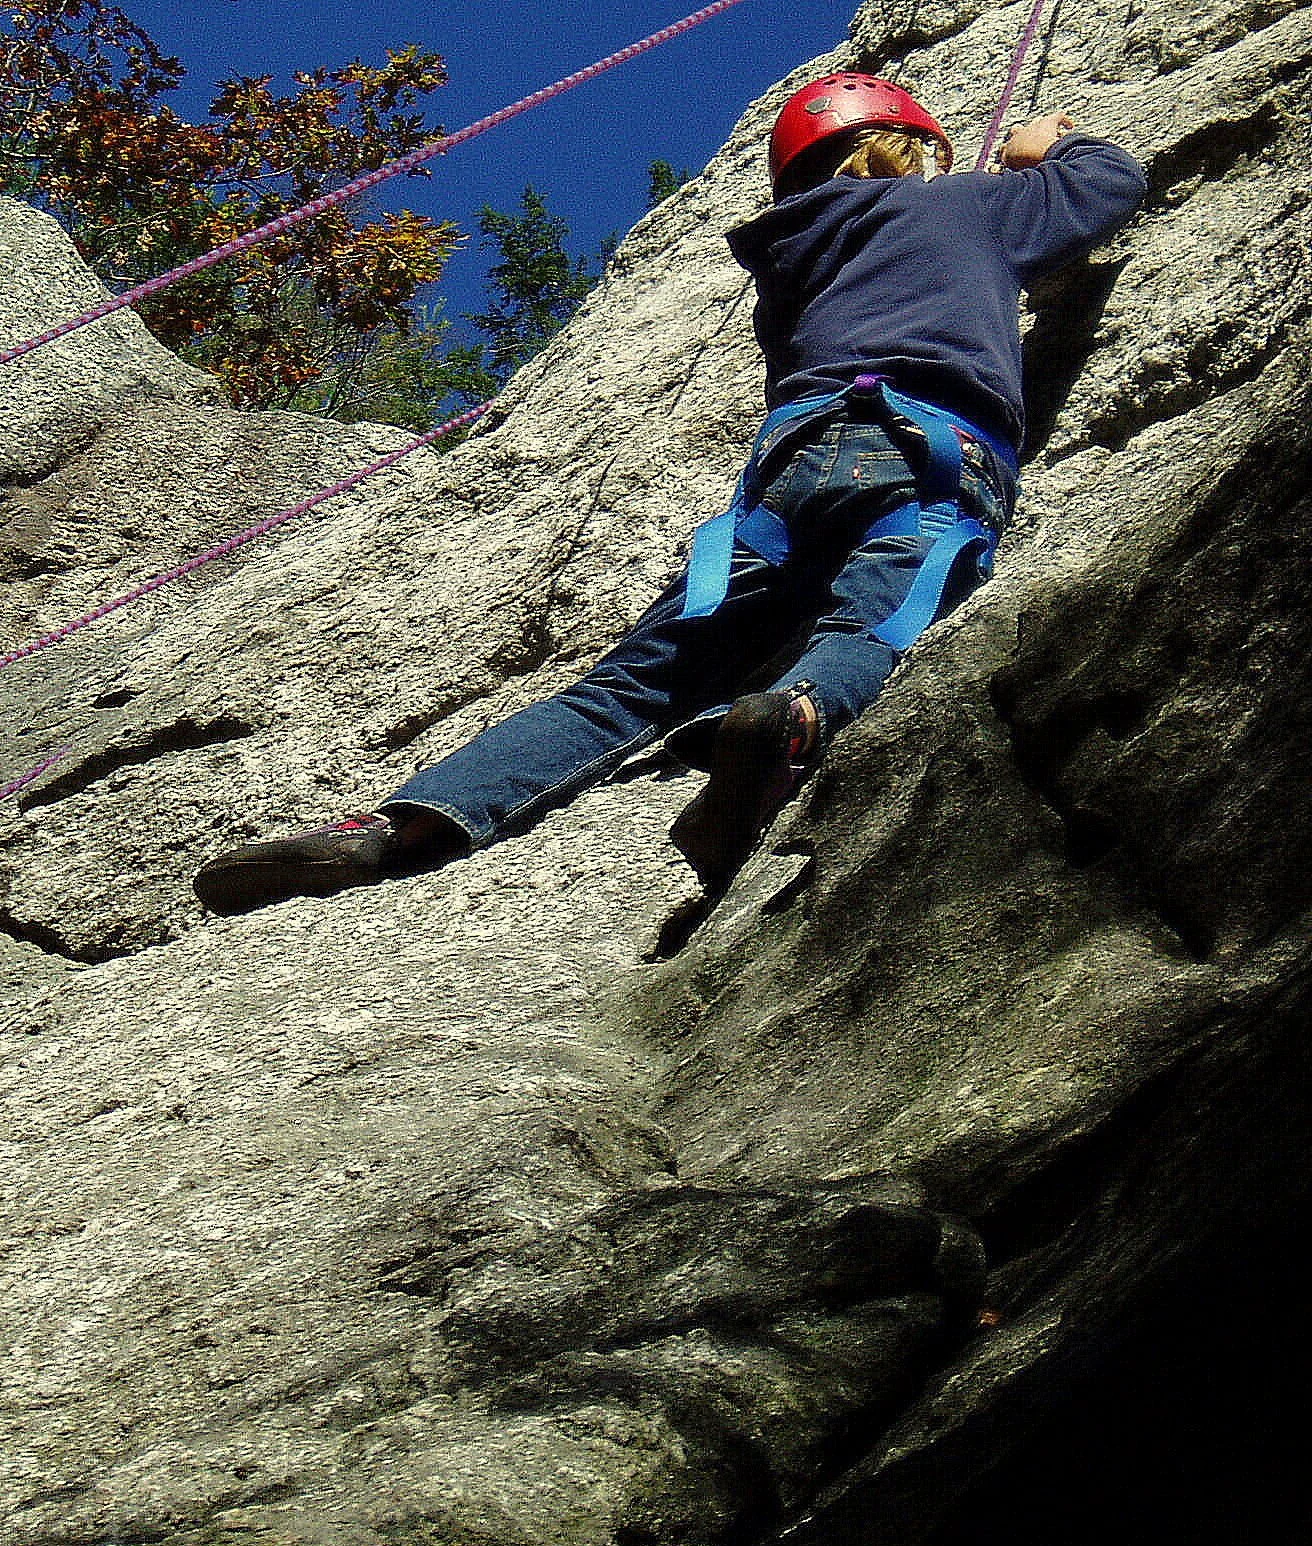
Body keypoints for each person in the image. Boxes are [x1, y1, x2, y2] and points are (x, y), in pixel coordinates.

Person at [194, 76, 1147, 916]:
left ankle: (395, 827)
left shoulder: (791, 254)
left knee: (629, 684)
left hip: (793, 469)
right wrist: (1044, 154)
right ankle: (792, 719)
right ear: (914, 151)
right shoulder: (969, 208)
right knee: (868, 625)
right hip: (929, 453)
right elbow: (1109, 186)